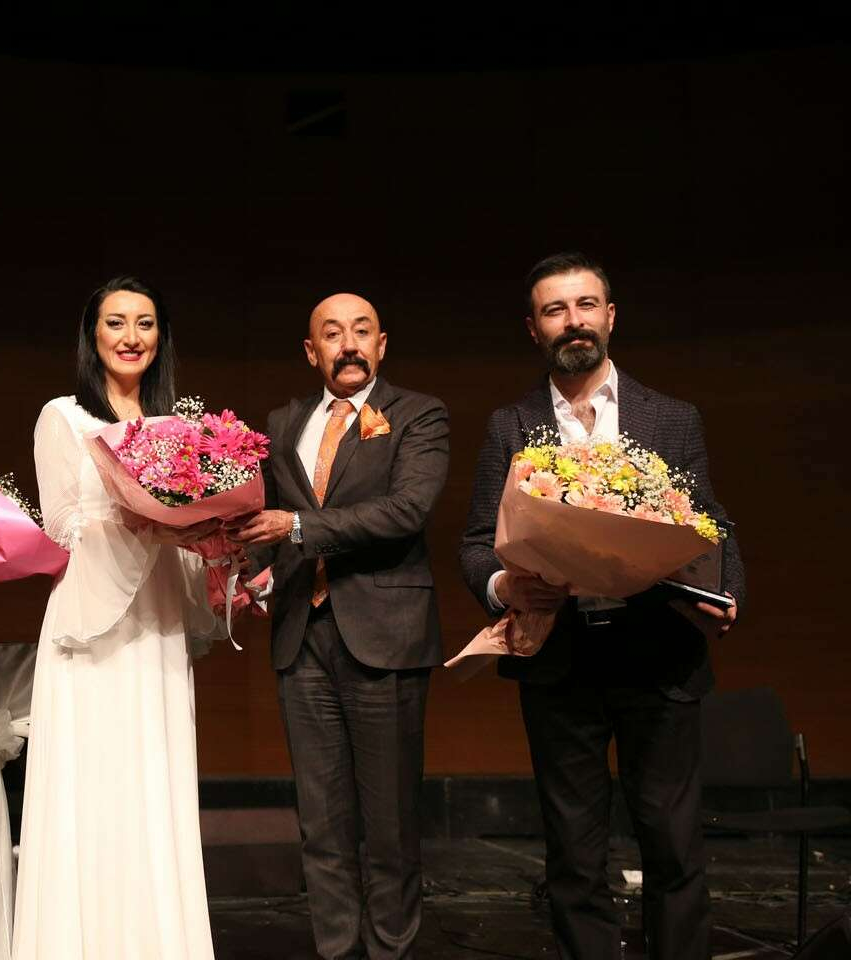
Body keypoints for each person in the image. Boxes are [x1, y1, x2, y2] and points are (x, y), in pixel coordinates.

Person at [458, 252, 744, 960]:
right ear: (534, 329)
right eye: (555, 310)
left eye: (586, 305)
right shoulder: (509, 425)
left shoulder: (672, 418)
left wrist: (727, 590)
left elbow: (710, 523)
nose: (573, 321)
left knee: (673, 845)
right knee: (575, 855)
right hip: (562, 661)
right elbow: (475, 545)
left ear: (610, 316)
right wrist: (504, 587)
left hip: (660, 654)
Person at [229, 294, 449, 960]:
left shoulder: (419, 414)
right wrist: (245, 573)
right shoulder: (283, 422)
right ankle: (335, 950)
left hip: (386, 634)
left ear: (381, 344)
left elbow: (406, 510)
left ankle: (389, 950)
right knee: (321, 822)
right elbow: (267, 522)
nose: (347, 344)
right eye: (332, 334)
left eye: (360, 332)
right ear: (311, 351)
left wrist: (297, 527)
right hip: (302, 636)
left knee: (390, 824)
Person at [11, 276, 224, 960]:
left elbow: (195, 530)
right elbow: (63, 528)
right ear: (92, 335)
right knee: (91, 789)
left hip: (157, 623)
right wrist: (143, 521)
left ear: (161, 337)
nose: (131, 337)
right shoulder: (62, 417)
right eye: (116, 323)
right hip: (91, 623)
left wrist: (214, 548)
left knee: (153, 786)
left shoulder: (181, 428)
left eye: (145, 323)